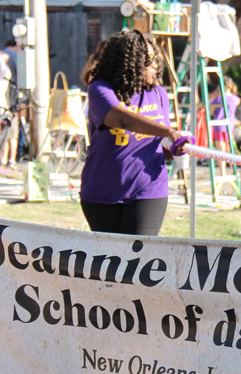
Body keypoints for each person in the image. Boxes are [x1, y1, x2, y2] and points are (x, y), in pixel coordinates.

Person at [80, 29, 187, 236]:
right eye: (149, 60)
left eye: (156, 59)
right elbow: (123, 119)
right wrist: (169, 131)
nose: (156, 65)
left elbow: (156, 146)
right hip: (102, 191)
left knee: (138, 257)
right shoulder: (100, 90)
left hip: (149, 187)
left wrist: (174, 150)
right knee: (110, 261)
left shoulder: (159, 94)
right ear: (130, 62)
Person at [208, 76, 240, 178]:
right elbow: (237, 101)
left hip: (218, 126)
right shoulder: (234, 99)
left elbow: (211, 111)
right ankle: (233, 169)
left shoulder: (218, 99)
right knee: (229, 148)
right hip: (229, 126)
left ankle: (223, 172)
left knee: (220, 150)